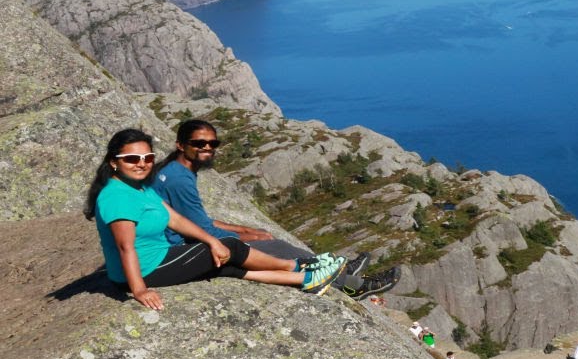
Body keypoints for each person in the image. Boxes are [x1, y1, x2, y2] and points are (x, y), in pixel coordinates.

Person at [86, 129, 346, 311]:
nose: (142, 164)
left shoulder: (141, 188)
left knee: (223, 262)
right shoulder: (116, 196)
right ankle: (297, 266)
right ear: (114, 162)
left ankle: (306, 281)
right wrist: (140, 290)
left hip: (158, 258)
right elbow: (125, 247)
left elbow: (174, 219)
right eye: (132, 159)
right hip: (145, 270)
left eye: (148, 158)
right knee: (231, 247)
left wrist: (211, 241)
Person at [151, 119, 398, 299]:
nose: (207, 147)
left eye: (212, 143)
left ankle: (342, 271)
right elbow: (201, 230)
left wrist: (245, 229)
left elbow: (197, 219)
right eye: (199, 143)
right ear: (181, 145)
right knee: (277, 246)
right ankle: (350, 283)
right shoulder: (179, 179)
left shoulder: (174, 170)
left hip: (185, 242)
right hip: (186, 249)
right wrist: (247, 236)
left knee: (264, 238)